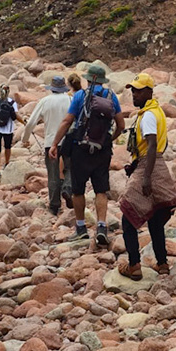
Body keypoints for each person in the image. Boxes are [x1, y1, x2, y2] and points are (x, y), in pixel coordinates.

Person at [53, 63, 125, 246]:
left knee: (78, 190)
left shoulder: (80, 96)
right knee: (101, 189)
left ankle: (81, 229)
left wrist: (55, 144)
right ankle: (101, 227)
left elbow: (67, 121)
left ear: (88, 79)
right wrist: (109, 139)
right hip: (102, 150)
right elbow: (121, 126)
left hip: (80, 149)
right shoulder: (111, 96)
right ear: (103, 80)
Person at [118, 72, 176, 279]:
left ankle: (134, 265)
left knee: (127, 216)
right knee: (155, 217)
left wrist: (145, 177)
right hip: (157, 165)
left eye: (137, 91)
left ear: (149, 91)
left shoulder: (149, 116)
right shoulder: (156, 111)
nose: (133, 95)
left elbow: (151, 145)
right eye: (132, 90)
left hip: (148, 165)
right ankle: (162, 263)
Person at [22, 75, 72, 215]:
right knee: (70, 168)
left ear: (52, 88)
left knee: (53, 173)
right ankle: (67, 188)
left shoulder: (45, 101)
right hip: (68, 140)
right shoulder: (70, 100)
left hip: (50, 142)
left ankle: (54, 205)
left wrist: (24, 138)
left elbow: (31, 122)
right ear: (63, 88)